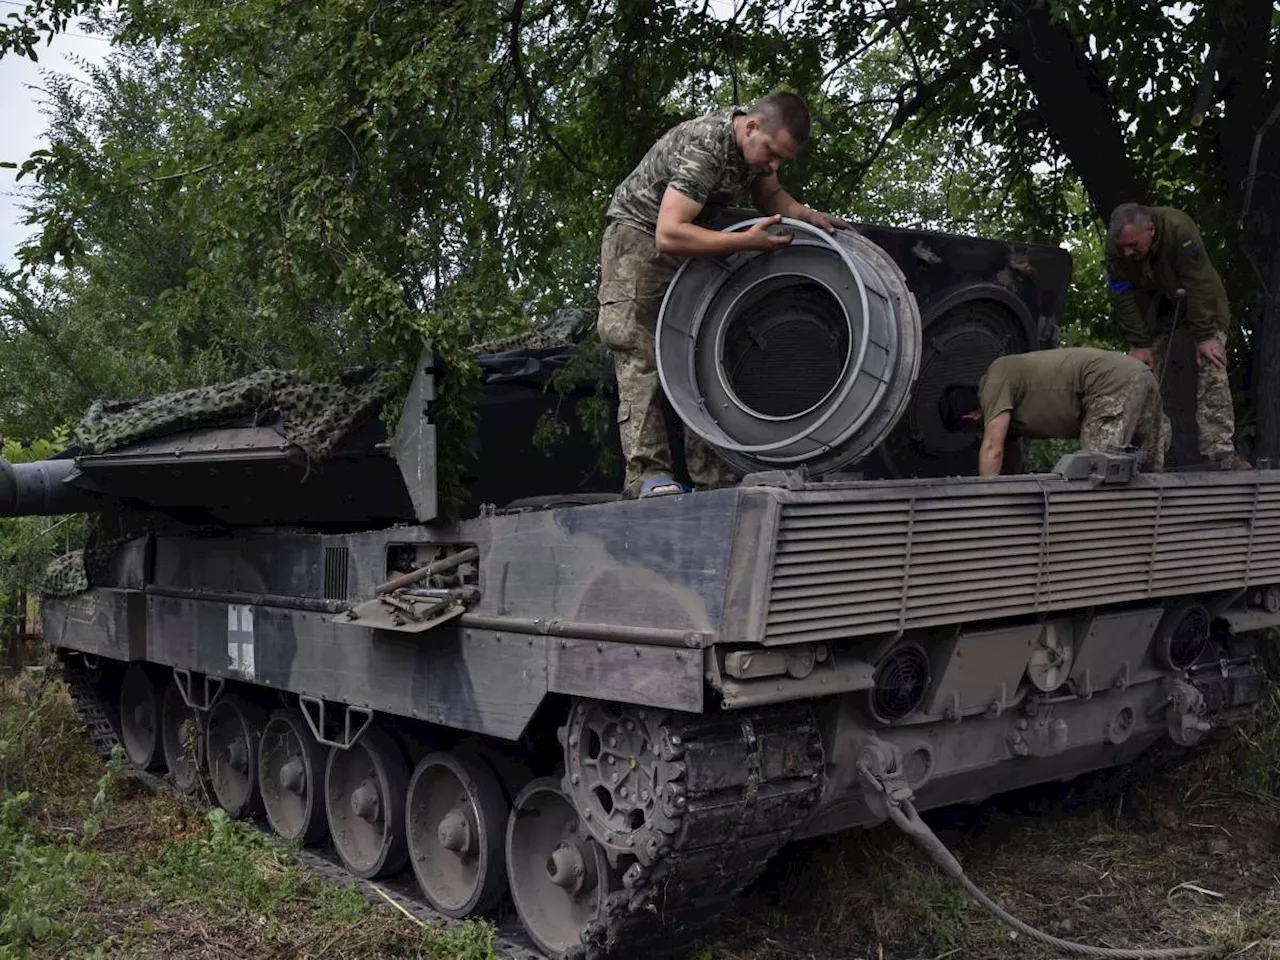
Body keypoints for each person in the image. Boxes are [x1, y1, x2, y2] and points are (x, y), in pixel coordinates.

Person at [597, 91, 850, 498]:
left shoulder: (755, 149)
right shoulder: (707, 146)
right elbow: (669, 233)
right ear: (751, 126)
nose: (774, 165)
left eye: (783, 160)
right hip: (639, 242)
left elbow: (771, 196)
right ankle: (648, 476)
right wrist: (744, 243)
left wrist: (808, 215)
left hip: (692, 244)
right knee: (642, 357)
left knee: (702, 354)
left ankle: (713, 477)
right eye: (772, 153)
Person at [1105, 203, 1245, 469]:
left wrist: (1205, 336)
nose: (1127, 252)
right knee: (1141, 374)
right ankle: (1146, 455)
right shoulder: (1117, 246)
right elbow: (1121, 294)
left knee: (1211, 364)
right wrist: (1139, 343)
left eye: (1133, 245)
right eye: (1122, 247)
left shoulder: (1178, 227)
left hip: (1202, 305)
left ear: (1151, 228)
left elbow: (1198, 282)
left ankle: (1221, 453)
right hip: (1160, 310)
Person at [940, 347, 1171, 477]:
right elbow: (1010, 459)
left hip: (1110, 384)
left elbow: (992, 448)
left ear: (971, 417)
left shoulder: (995, 381)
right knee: (1148, 472)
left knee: (1095, 475)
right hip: (1139, 376)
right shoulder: (1008, 396)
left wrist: (984, 506)